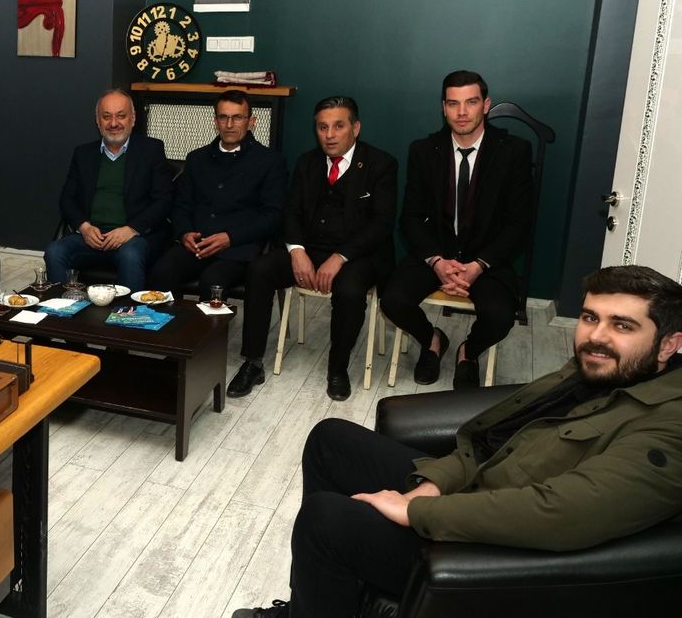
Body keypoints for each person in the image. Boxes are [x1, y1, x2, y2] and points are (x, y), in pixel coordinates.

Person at [234, 264, 682, 618]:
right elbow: (490, 441)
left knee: (325, 520)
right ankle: (316, 604)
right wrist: (433, 483)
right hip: (474, 492)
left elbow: (560, 513)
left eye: (623, 326)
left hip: (495, 550)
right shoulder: (592, 373)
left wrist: (416, 510)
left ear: (668, 344)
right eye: (589, 318)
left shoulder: (669, 426)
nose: (597, 337)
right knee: (330, 439)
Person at [231, 96, 397, 401]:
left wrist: (340, 257)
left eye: (338, 126)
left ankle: (338, 368)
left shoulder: (381, 164)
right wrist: (296, 251)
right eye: (322, 127)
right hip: (311, 247)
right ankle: (252, 361)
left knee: (349, 290)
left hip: (359, 254)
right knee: (259, 270)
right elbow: (291, 211)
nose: (330, 135)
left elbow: (381, 224)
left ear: (355, 128)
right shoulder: (307, 162)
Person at [380, 70, 533, 389]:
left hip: (486, 259)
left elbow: (519, 222)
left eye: (471, 102)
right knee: (392, 299)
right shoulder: (424, 150)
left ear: (486, 105)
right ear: (443, 108)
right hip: (436, 253)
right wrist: (436, 261)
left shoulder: (513, 150)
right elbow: (410, 218)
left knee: (501, 315)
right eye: (453, 104)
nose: (462, 112)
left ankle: (469, 352)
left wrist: (479, 265)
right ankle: (432, 339)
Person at [147, 89, 287, 323]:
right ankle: (171, 334)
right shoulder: (196, 158)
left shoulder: (270, 161)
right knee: (162, 271)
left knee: (213, 281)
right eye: (223, 117)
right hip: (197, 246)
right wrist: (184, 233)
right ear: (215, 121)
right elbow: (181, 205)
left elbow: (272, 216)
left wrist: (230, 238)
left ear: (251, 121)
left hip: (238, 250)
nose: (229, 125)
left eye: (237, 117)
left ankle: (208, 342)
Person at [43, 88, 173, 292]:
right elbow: (67, 199)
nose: (113, 123)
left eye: (121, 116)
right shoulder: (83, 154)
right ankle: (63, 308)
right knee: (54, 251)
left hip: (133, 238)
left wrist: (131, 229)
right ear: (98, 121)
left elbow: (164, 200)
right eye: (106, 117)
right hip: (90, 237)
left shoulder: (151, 150)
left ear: (133, 118)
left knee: (130, 254)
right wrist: (84, 228)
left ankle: (126, 311)